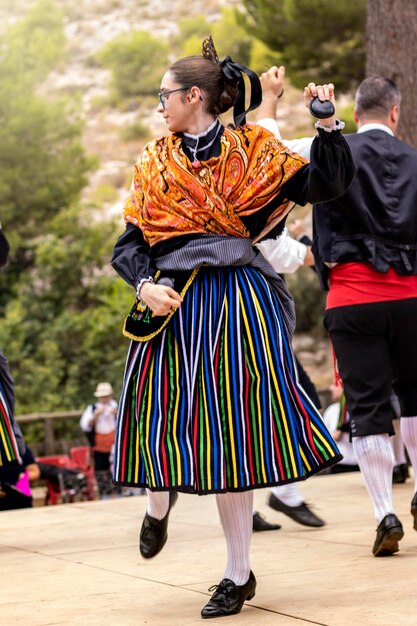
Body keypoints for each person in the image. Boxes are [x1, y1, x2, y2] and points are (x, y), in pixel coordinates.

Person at [110, 37, 355, 619]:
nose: (159, 105)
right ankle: (157, 504)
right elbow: (127, 246)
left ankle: (237, 573)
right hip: (171, 306)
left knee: (233, 436)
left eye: (164, 95)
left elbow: (328, 184)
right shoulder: (153, 160)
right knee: (156, 415)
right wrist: (143, 283)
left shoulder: (254, 150)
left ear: (194, 96)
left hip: (239, 304)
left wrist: (326, 126)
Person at [259, 68, 417, 557]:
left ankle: (383, 513)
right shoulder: (415, 159)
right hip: (412, 298)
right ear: (395, 113)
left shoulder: (331, 149)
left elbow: (269, 154)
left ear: (353, 114)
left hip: (352, 298)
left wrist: (270, 100)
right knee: (415, 398)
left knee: (367, 410)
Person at [80, 382, 117, 497]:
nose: (104, 398)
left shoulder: (117, 407)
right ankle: (104, 493)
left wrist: (116, 413)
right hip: (99, 445)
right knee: (101, 470)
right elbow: (85, 426)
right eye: (102, 396)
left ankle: (120, 492)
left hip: (115, 444)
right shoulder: (92, 408)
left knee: (117, 469)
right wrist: (95, 416)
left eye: (106, 396)